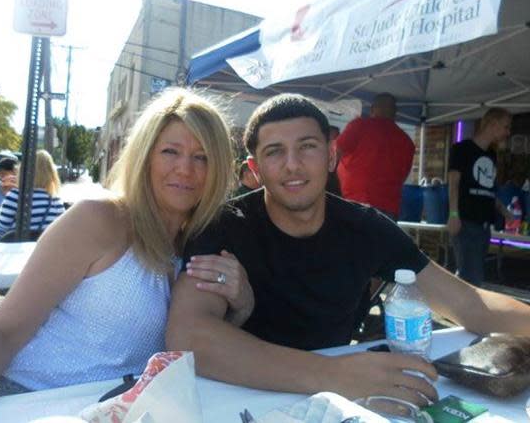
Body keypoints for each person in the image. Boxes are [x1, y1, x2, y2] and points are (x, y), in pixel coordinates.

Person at [0, 89, 253, 423]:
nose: (185, 169)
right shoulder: (99, 220)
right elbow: (2, 329)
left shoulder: (199, 247)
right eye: (170, 152)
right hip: (23, 403)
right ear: (145, 156)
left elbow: (188, 353)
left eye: (202, 157)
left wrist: (241, 307)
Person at [167, 93, 530, 406]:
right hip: (239, 397)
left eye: (307, 146)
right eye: (275, 152)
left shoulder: (365, 227)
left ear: (331, 155)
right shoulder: (225, 225)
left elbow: (468, 303)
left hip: (339, 401)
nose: (293, 164)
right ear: (255, 169)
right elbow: (189, 335)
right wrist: (331, 373)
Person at [448, 108, 513, 286]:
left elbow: (487, 189)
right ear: (493, 124)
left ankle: (459, 311)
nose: (508, 133)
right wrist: (453, 215)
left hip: (484, 226)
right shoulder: (462, 149)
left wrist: (503, 210)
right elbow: (453, 183)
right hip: (466, 222)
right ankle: (463, 313)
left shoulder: (491, 155)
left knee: (470, 276)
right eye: (505, 127)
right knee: (471, 278)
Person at [336, 92, 414, 219]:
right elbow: (403, 176)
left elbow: (335, 153)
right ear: (395, 112)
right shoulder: (407, 141)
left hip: (358, 200)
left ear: (372, 109)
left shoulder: (360, 125)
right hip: (390, 206)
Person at [0, 150, 64, 241]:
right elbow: (61, 233)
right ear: (52, 174)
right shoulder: (56, 201)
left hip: (15, 252)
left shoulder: (15, 196)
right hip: (42, 252)